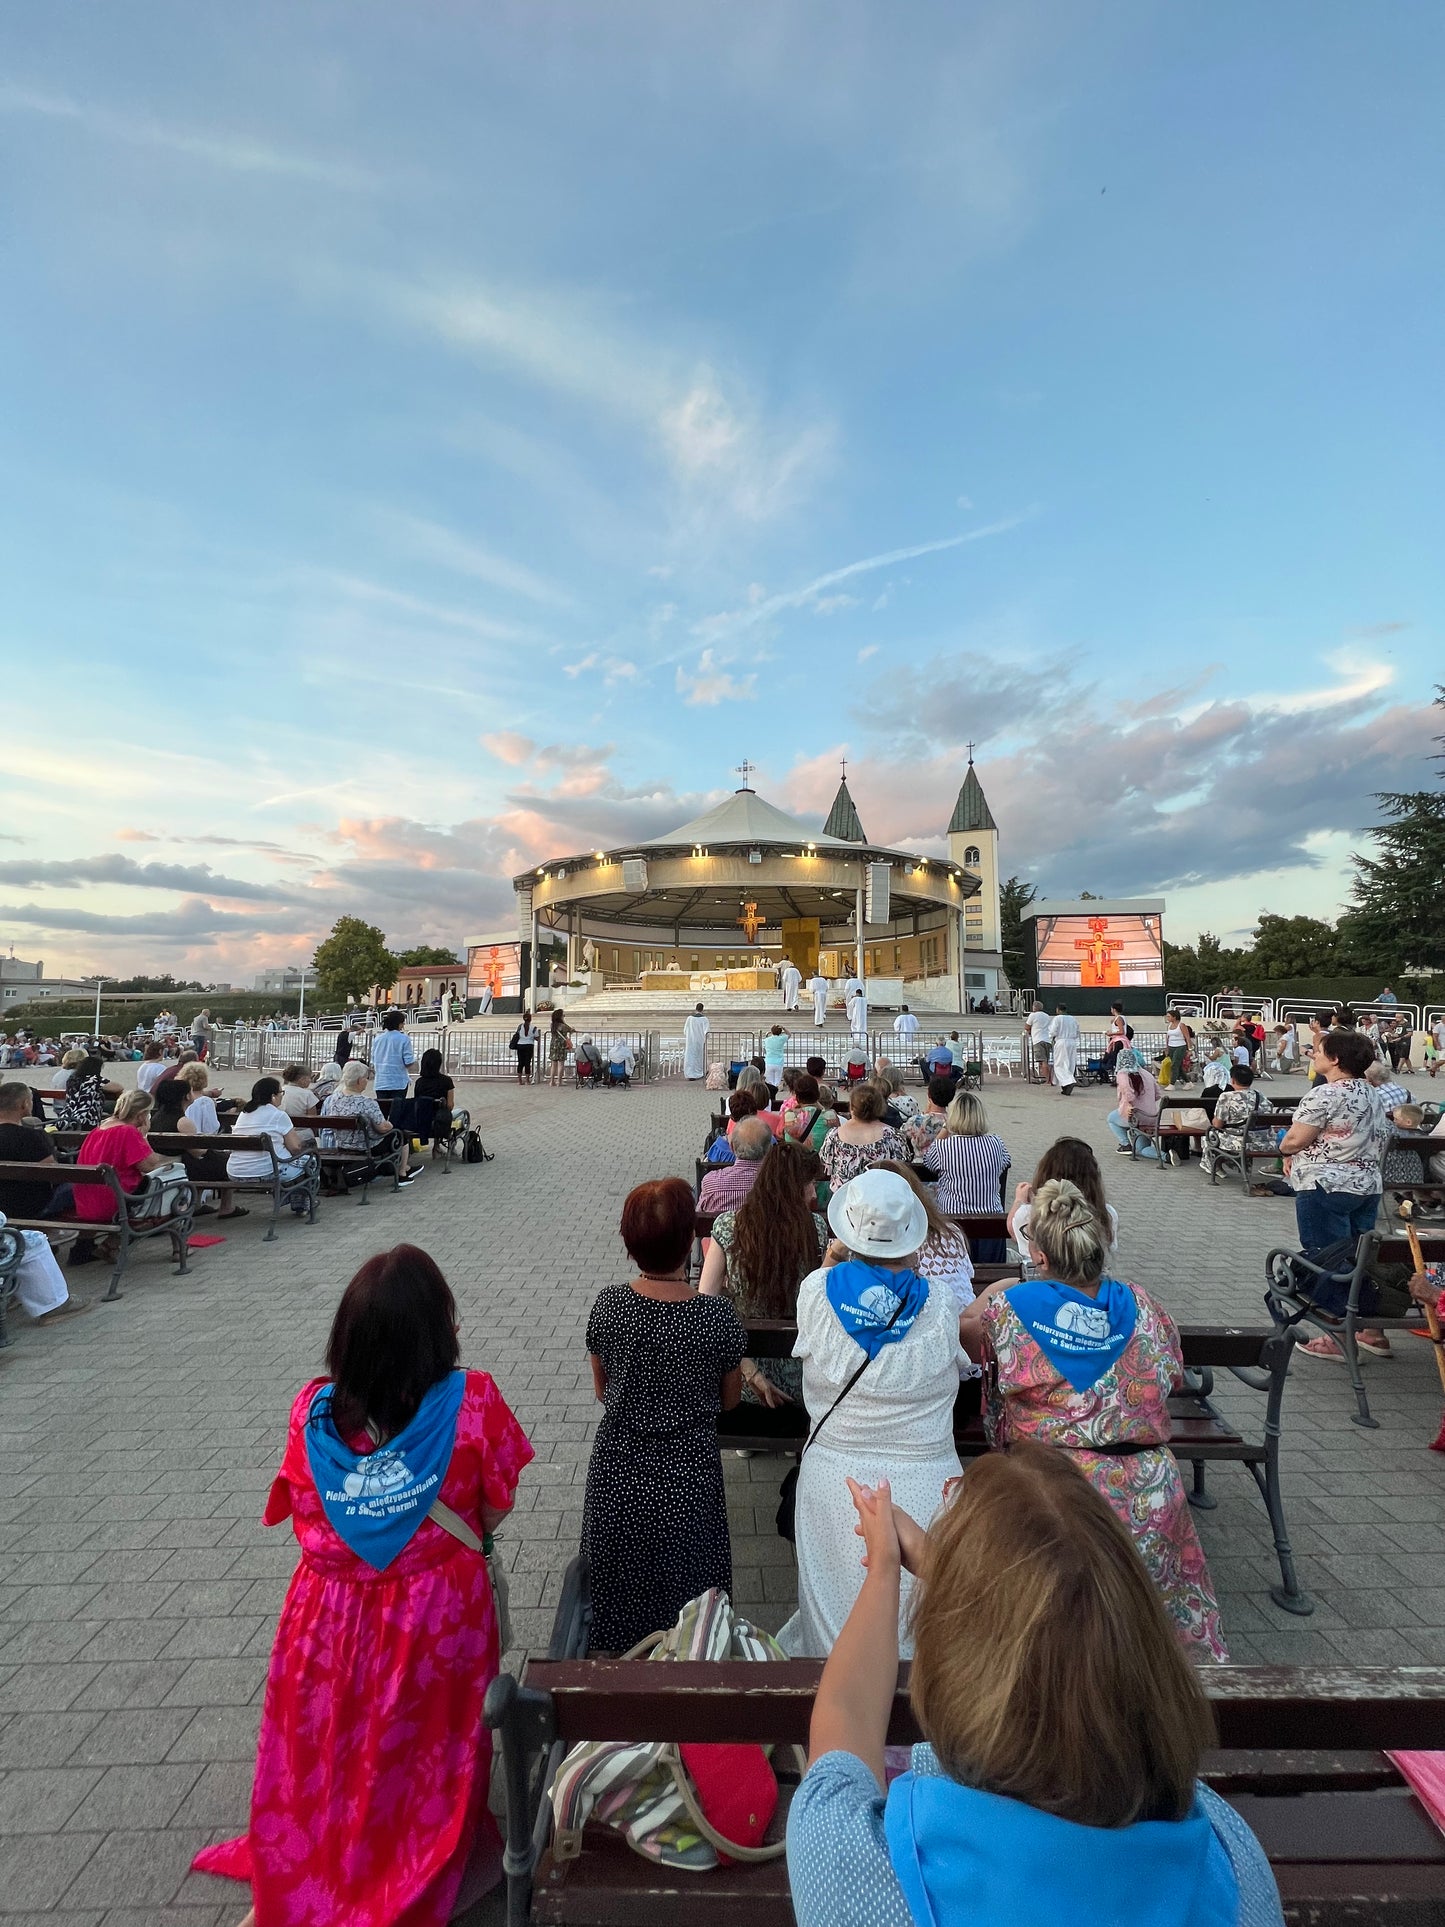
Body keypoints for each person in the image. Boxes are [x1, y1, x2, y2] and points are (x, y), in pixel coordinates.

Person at [784, 1443, 1281, 1927]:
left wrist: (886, 1570)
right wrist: (957, 1572)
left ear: (954, 1680)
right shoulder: (1232, 1860)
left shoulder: (861, 1876)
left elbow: (845, 1716)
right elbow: (1070, 1645)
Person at [193, 1244, 533, 1925]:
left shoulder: (310, 1410)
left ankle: (328, 1839)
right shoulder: (473, 1402)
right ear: (440, 1330)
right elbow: (495, 1504)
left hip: (325, 1612)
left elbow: (294, 1500)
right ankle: (411, 1844)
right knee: (424, 1735)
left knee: (338, 1727)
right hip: (435, 1612)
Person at [961, 1178, 1227, 1658]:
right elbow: (1172, 1375)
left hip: (1057, 1497)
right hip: (1149, 1491)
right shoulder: (1142, 1302)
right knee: (1147, 1633)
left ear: (1038, 1255)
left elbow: (968, 1344)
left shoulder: (1010, 1310)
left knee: (1062, 1637)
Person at [780, 1169, 966, 1658]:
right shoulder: (941, 1305)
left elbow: (828, 1277)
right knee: (922, 1630)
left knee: (836, 1618)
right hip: (929, 1487)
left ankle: (841, 1714)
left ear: (845, 1234)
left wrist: (840, 1254)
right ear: (914, 1236)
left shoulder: (817, 1293)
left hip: (836, 1484)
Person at [581, 1178, 746, 1653]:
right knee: (691, 1570)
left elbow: (601, 1388)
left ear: (631, 1246)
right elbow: (730, 1401)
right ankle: (692, 1652)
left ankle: (625, 1661)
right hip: (689, 1464)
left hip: (620, 1460)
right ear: (689, 1243)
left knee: (620, 1569)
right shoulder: (715, 1316)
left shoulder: (610, 1305)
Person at [1281, 1029, 1392, 1361]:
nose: (1313, 1055)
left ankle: (1340, 1338)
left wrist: (1286, 1149)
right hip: (1367, 1185)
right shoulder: (1374, 1093)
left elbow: (1296, 1139)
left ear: (1335, 1059)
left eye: (1318, 1050)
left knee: (1327, 1260)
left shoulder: (1324, 1094)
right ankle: (1372, 1330)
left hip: (1325, 1186)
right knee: (1361, 1259)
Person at [700, 1139, 827, 1406]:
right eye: (809, 1183)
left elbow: (705, 1306)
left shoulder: (728, 1225)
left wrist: (749, 1370)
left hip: (739, 1382)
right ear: (795, 1187)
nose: (814, 1192)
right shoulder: (815, 1228)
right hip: (803, 1382)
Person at [875, 1160, 976, 1318]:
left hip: (931, 1324)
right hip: (965, 1318)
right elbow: (966, 1277)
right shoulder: (950, 1231)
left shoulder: (885, 1244)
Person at [72, 1089, 180, 1225]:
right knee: (175, 1181)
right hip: (117, 1202)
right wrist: (144, 1135)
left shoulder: (100, 1128)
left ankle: (104, 1242)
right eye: (148, 1113)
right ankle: (118, 1239)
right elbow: (150, 1166)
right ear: (141, 1115)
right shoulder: (127, 1131)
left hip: (87, 1200)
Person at [1009, 1137, 1119, 1256]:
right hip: (1092, 1274)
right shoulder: (1106, 1214)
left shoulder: (1029, 1214)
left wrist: (1019, 1201)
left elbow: (1014, 1233)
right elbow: (1110, 1248)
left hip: (1038, 1273)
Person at [321, 1060, 420, 1185]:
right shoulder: (366, 1102)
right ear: (359, 1081)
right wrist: (390, 1125)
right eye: (366, 1078)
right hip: (367, 1146)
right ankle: (402, 1173)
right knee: (400, 1135)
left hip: (342, 1143)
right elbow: (383, 1128)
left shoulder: (333, 1099)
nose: (367, 1081)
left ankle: (402, 1169)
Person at [226, 1078, 318, 1211]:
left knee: (295, 1162)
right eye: (281, 1093)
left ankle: (293, 1199)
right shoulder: (278, 1115)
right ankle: (302, 1203)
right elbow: (295, 1148)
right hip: (267, 1172)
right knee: (311, 1161)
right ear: (273, 1097)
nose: (282, 1096)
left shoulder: (244, 1114)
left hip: (236, 1171)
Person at [921, 1090, 1011, 1221]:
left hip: (953, 1219)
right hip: (991, 1218)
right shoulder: (996, 1143)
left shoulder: (943, 1147)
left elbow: (928, 1162)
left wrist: (946, 1128)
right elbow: (1006, 1162)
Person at [819, 1084, 911, 1194]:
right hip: (882, 1200)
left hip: (844, 1202)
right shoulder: (894, 1136)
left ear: (852, 1107)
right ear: (879, 1106)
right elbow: (903, 1167)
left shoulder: (834, 1135)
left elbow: (825, 1165)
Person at [698, 1114, 773, 1213]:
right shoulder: (780, 1185)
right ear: (769, 1149)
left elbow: (698, 1216)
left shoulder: (711, 1183)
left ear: (732, 1147)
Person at [415, 1047, 467, 1153]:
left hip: (423, 1119)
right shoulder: (446, 1081)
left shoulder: (419, 1082)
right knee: (461, 1114)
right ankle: (449, 1147)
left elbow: (417, 1101)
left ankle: (437, 1146)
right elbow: (450, 1105)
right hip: (441, 1121)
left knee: (435, 1113)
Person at [57, 1053, 123, 1132]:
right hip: (86, 1120)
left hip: (66, 1117)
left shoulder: (72, 1079)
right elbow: (118, 1087)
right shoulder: (93, 1079)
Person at [371, 1008, 417, 1108]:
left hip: (381, 1081)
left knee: (383, 1111)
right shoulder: (404, 1039)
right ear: (399, 1024)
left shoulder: (378, 1039)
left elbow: (373, 1061)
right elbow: (408, 1061)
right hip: (398, 1081)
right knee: (397, 1113)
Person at [903, 1074, 954, 1158]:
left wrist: (925, 1114)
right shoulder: (955, 1122)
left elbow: (902, 1134)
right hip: (946, 1164)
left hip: (918, 1166)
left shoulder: (916, 1121)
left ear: (929, 1094)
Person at [508, 1009, 539, 1086]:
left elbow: (517, 1034)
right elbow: (537, 1038)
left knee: (520, 1063)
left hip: (520, 1045)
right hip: (529, 1045)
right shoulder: (534, 1028)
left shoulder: (520, 1026)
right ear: (530, 1019)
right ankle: (527, 1080)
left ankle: (519, 1080)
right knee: (527, 1063)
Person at [1025, 999, 1052, 1084]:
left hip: (1038, 1039)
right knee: (1046, 1061)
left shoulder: (1033, 1015)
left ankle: (1048, 1080)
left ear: (1035, 1007)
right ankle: (1049, 1078)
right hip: (1047, 1039)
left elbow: (1026, 1026)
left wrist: (1029, 1031)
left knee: (1042, 1061)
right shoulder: (1047, 1016)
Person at [547, 1007, 576, 1086]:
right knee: (561, 1063)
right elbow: (571, 1030)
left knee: (553, 1063)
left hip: (553, 1044)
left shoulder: (552, 1025)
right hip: (561, 1045)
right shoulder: (563, 1026)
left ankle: (551, 1081)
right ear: (560, 1016)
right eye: (563, 1015)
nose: (564, 1016)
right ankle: (559, 1081)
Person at [682, 1002, 710, 1080]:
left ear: (696, 1008)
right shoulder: (704, 1019)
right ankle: (698, 1072)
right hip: (699, 1041)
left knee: (690, 1057)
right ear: (702, 1009)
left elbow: (685, 1030)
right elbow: (706, 1032)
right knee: (699, 1057)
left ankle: (689, 1073)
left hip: (690, 1041)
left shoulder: (689, 1018)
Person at [1164, 1010, 1190, 1086]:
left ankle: (1172, 1083)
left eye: (1169, 1016)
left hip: (1180, 1046)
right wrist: (1167, 1048)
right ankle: (1188, 1082)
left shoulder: (1181, 1025)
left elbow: (1187, 1037)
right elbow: (1168, 1037)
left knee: (1174, 1065)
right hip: (1171, 1046)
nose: (1167, 1018)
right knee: (1178, 1065)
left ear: (1174, 1017)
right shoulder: (1169, 1026)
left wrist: (1189, 1049)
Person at [763, 1023, 789, 1091]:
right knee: (777, 1080)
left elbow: (764, 1049)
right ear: (780, 1032)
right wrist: (784, 1028)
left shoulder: (767, 1040)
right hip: (779, 1062)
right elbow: (789, 1034)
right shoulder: (781, 1039)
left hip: (769, 1061)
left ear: (771, 1032)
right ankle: (777, 1089)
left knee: (769, 1081)